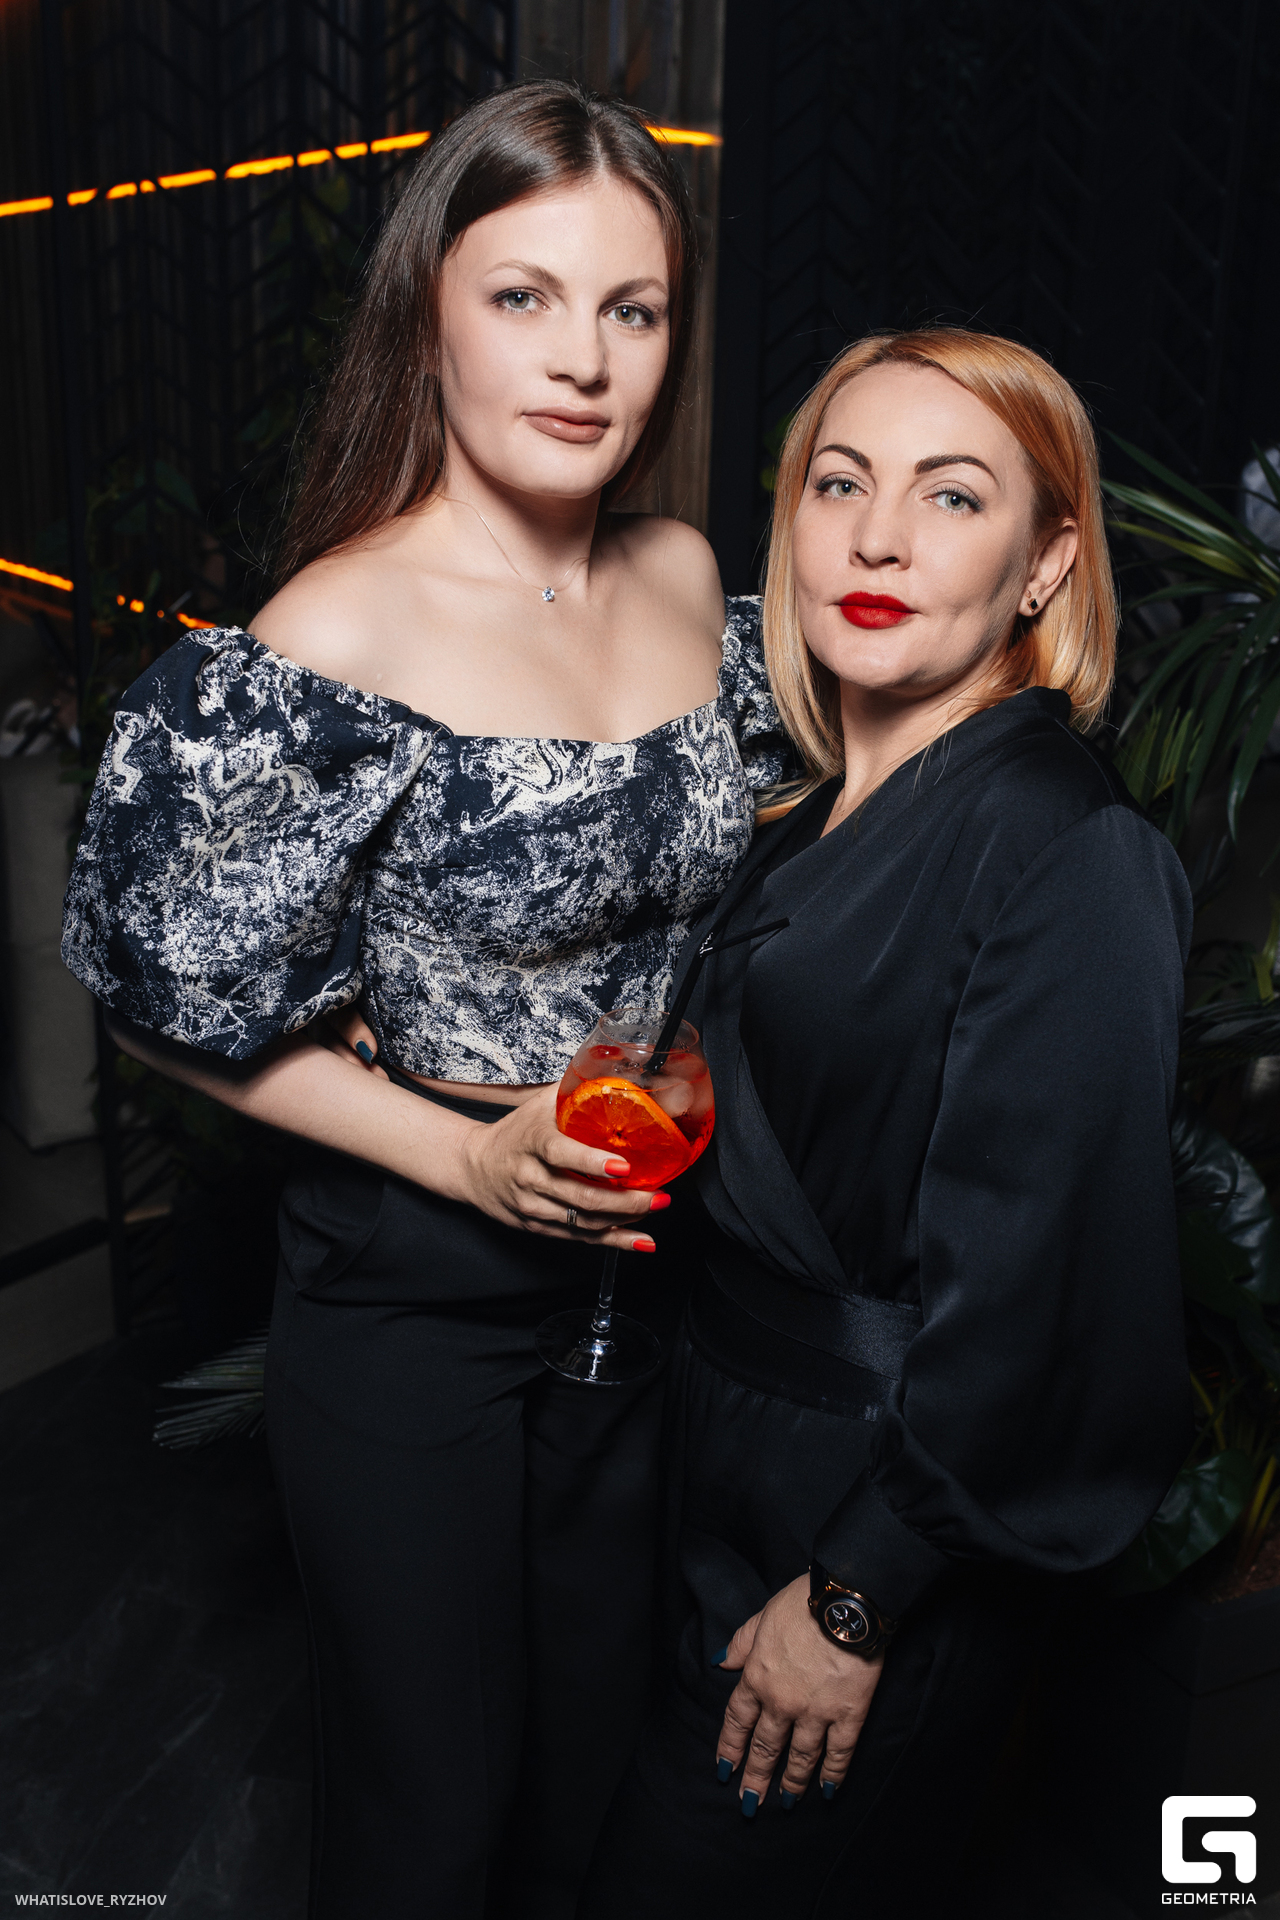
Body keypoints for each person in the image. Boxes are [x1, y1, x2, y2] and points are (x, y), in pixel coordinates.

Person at [60, 82, 793, 1919]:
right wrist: (461, 1159)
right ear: (429, 315)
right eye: (523, 296)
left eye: (632, 308)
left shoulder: (685, 570)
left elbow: (744, 849)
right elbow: (159, 999)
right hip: (411, 1291)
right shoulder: (338, 629)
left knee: (589, 1787)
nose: (585, 358)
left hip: (646, 1279)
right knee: (429, 1819)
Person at [578, 328, 1193, 1919]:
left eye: (953, 495)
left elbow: (1051, 1294)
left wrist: (860, 1595)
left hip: (861, 1517)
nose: (879, 538)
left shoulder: (1063, 845)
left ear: (1047, 563)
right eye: (840, 484)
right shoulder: (804, 816)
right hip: (713, 1461)